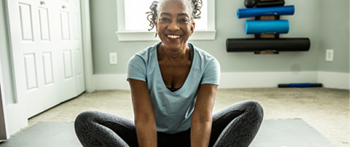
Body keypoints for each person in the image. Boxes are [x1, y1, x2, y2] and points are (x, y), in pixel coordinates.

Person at [74, 0, 264, 146]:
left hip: (191, 136)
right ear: (156, 24)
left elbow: (201, 118)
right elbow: (145, 119)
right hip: (151, 137)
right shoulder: (139, 63)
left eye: (182, 19)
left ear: (192, 26)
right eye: (165, 18)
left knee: (252, 109)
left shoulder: (208, 64)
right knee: (86, 121)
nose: (173, 27)